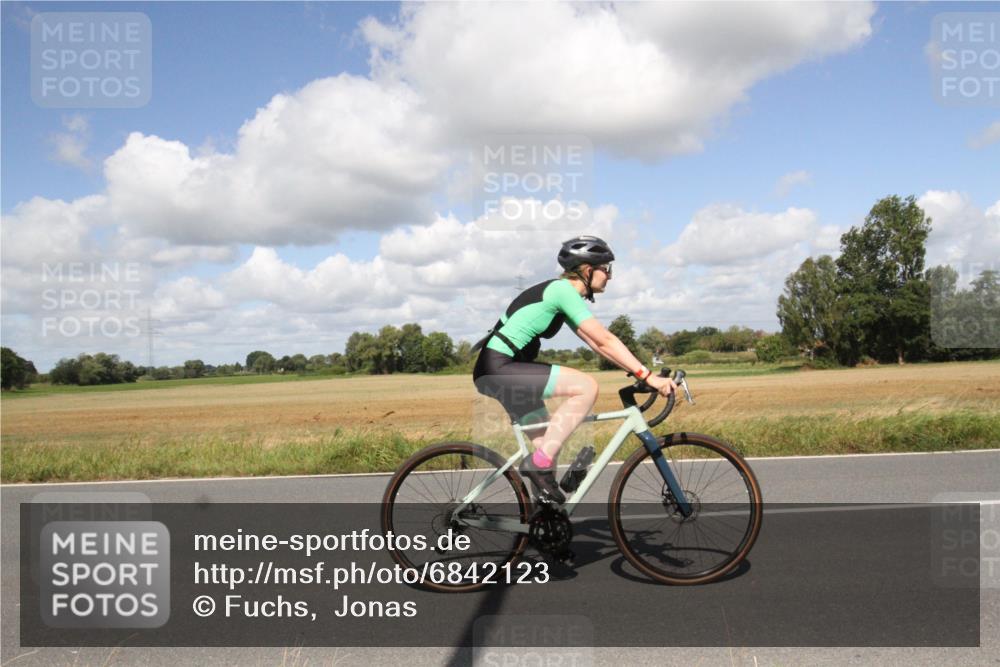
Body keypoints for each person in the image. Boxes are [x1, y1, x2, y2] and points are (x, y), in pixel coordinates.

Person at [472, 235, 676, 504]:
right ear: (588, 269)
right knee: (586, 387)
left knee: (547, 448)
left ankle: (547, 530)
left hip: (498, 369)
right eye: (606, 269)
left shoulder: (562, 295)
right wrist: (647, 376)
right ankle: (538, 466)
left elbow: (596, 343)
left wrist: (638, 373)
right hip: (500, 366)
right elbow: (605, 340)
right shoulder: (562, 291)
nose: (610, 276)